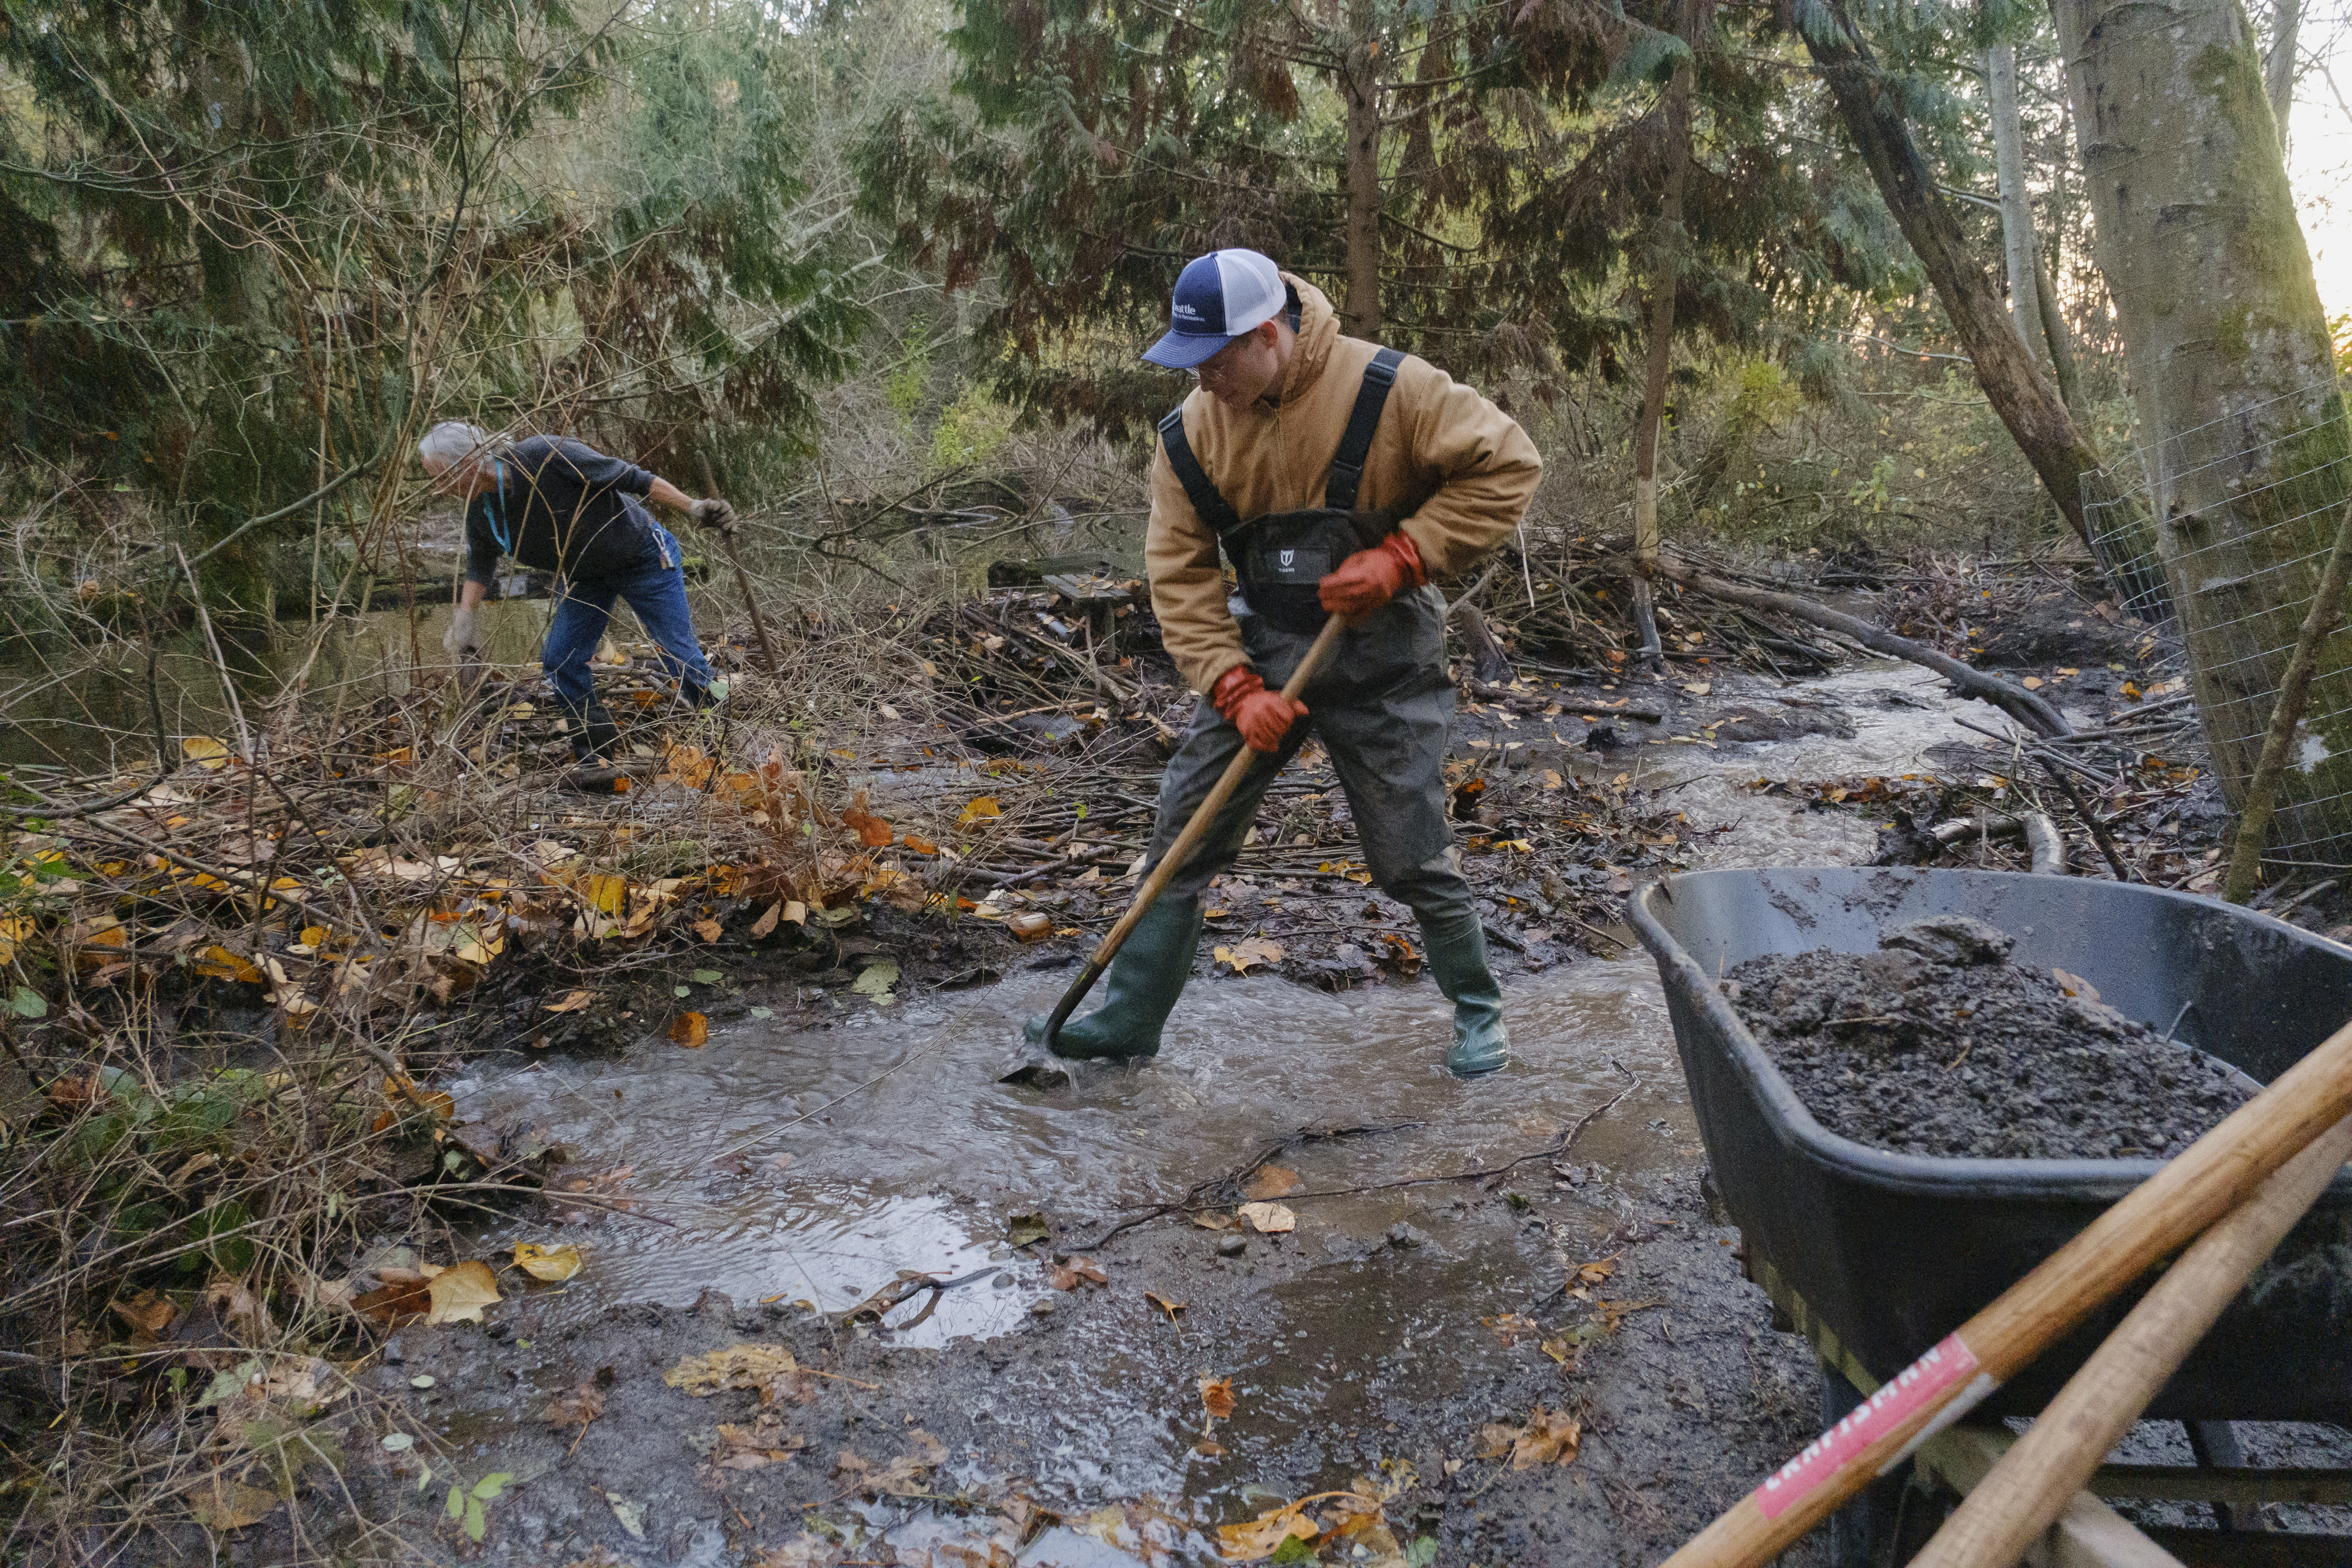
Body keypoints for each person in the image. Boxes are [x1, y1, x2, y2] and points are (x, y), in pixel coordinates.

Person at [1026, 249, 1542, 1076]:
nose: (1202, 383)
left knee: (1411, 851)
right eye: (1190, 365)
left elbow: (1510, 465)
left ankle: (1480, 1011)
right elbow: (1180, 573)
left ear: (1268, 336)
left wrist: (1408, 557)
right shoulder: (1188, 436)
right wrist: (1232, 690)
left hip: (1384, 654)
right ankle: (1124, 1021)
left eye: (1215, 363)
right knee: (1180, 841)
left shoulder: (1394, 388)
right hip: (1260, 649)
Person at [417, 422, 740, 763]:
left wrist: (695, 507)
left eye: (441, 477)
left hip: (643, 556)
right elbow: (481, 564)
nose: (439, 489)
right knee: (560, 660)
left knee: (680, 653)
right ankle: (596, 757)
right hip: (585, 577)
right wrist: (465, 616)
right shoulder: (482, 511)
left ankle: (728, 734)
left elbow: (636, 479)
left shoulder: (545, 455)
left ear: (468, 463)